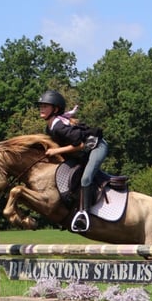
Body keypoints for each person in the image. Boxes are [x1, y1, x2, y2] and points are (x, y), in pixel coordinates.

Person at [37, 89, 108, 232]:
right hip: (83, 152)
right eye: (41, 106)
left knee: (86, 179)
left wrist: (56, 151)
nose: (41, 109)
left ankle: (84, 215)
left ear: (55, 109)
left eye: (45, 106)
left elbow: (80, 145)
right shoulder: (50, 127)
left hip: (97, 147)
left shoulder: (59, 126)